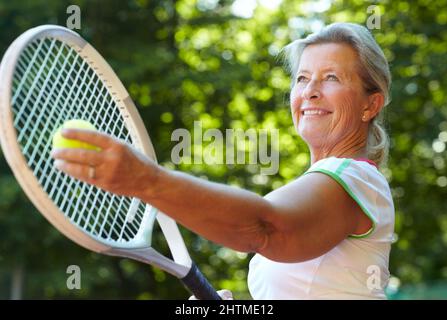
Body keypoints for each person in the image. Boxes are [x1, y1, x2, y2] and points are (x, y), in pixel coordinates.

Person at [51, 22, 395, 299]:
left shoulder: (356, 181)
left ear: (371, 105)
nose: (309, 91)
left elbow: (265, 228)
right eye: (302, 78)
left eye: (331, 77)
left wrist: (146, 181)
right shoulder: (328, 184)